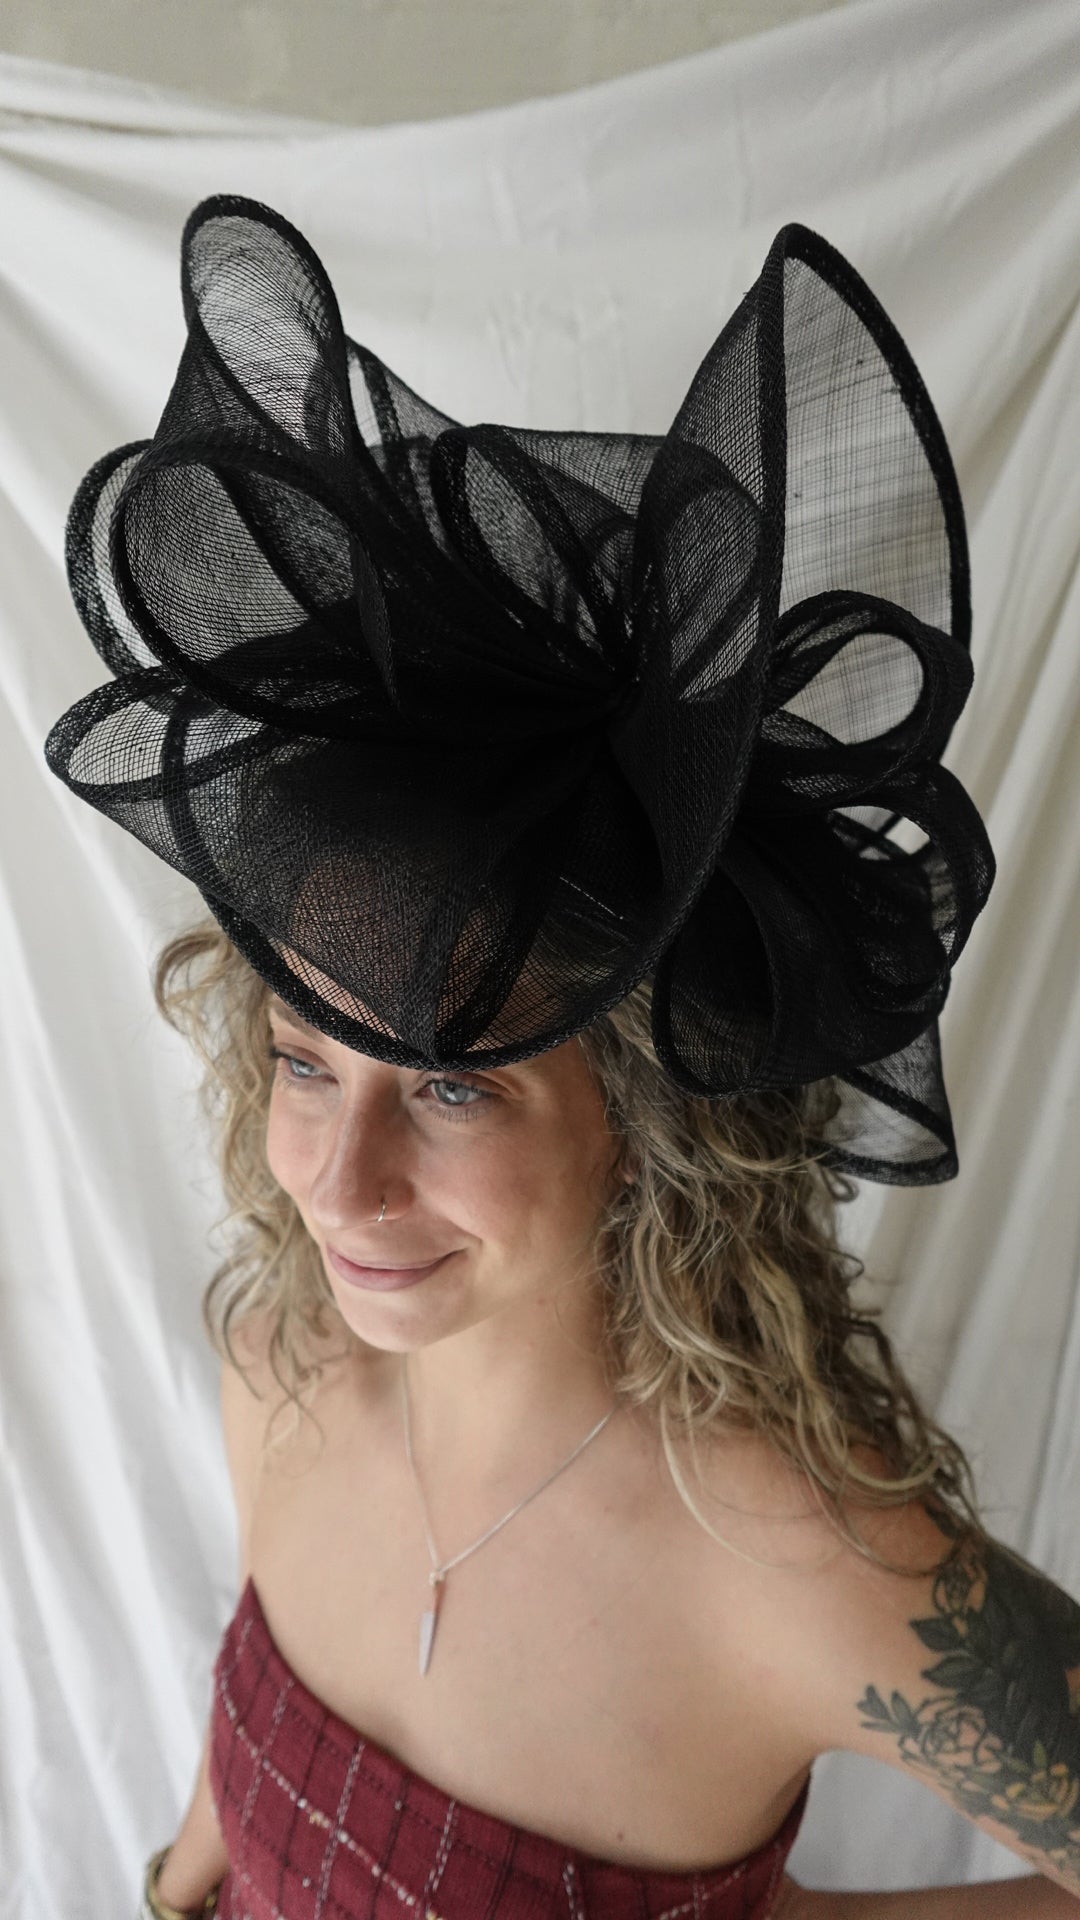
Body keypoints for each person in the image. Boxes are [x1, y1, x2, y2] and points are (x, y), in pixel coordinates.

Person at [44, 196, 1080, 1918]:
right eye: (305, 1062)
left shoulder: (795, 1558)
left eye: (455, 1083)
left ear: (655, 1125)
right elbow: (250, 1756)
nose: (339, 1183)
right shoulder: (277, 1364)